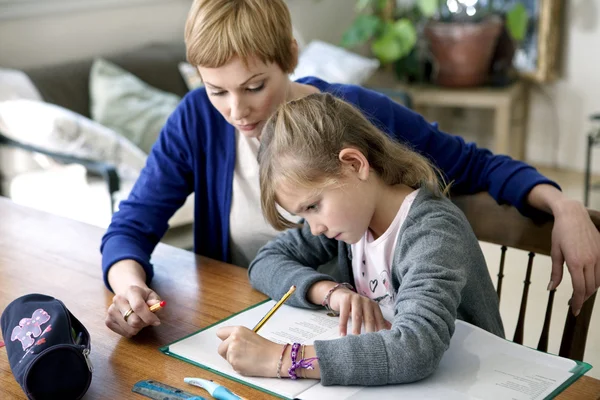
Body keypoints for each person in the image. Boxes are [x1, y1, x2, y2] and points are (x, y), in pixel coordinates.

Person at [102, 0, 600, 338]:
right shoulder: (194, 120)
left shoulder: (352, 115)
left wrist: (562, 204)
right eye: (217, 91)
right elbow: (131, 226)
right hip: (256, 315)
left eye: (255, 86)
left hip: (356, 333)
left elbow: (471, 165)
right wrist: (129, 289)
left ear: (289, 58)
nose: (237, 110)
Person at [215, 93, 504, 385]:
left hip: (475, 382)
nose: (314, 227)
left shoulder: (433, 233)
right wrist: (330, 292)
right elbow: (265, 261)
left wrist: (283, 358)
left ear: (354, 164)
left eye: (313, 206)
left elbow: (415, 348)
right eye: (304, 214)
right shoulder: (352, 222)